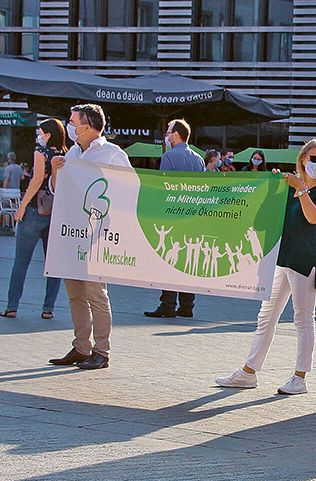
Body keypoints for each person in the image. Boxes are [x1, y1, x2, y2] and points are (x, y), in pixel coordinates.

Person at [216, 139, 316, 395]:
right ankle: (249, 372)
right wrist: (273, 189)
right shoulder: (288, 188)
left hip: (305, 263)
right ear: (302, 159)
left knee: (303, 319)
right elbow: (263, 221)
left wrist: (301, 190)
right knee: (267, 316)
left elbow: (314, 217)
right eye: (313, 159)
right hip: (283, 260)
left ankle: (300, 377)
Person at [48, 103, 132, 370]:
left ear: (86, 125)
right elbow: (56, 191)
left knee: (96, 293)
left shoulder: (112, 154)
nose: (70, 126)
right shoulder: (72, 152)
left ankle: (102, 351)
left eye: (72, 122)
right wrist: (55, 170)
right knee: (75, 293)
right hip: (71, 234)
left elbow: (130, 189)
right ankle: (81, 347)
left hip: (97, 235)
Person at [3, 119, 67, 319]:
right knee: (54, 263)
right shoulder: (66, 154)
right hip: (56, 213)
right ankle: (48, 308)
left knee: (21, 261)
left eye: (41, 132)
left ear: (47, 135)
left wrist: (21, 207)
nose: (39, 136)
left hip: (33, 212)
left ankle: (12, 306)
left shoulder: (41, 152)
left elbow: (37, 179)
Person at [144, 119, 206, 319]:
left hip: (173, 215)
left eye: (169, 132)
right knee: (188, 262)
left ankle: (168, 304)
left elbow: (165, 188)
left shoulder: (169, 156)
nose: (167, 135)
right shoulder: (199, 159)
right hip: (193, 218)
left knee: (170, 259)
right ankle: (187, 305)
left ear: (176, 134)